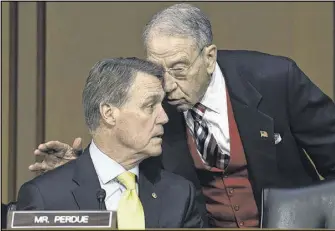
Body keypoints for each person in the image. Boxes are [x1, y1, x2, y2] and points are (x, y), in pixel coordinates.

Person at [29, 3, 335, 228]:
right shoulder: (157, 110)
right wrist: (83, 166)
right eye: (159, 70)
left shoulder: (277, 80)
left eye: (179, 69)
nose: (167, 85)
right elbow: (127, 162)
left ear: (209, 57)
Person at [17, 57, 204, 229]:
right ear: (108, 113)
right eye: (149, 106)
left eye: (162, 106)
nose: (163, 117)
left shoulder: (179, 195)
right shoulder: (46, 197)